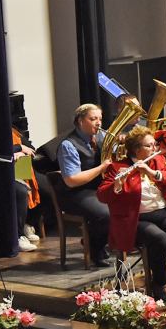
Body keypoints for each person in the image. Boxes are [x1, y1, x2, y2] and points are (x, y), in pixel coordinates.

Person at [98, 126, 166, 300]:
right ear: (137, 150)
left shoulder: (157, 160)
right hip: (136, 220)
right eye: (149, 146)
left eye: (154, 145)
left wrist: (152, 173)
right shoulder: (118, 167)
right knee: (160, 238)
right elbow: (102, 195)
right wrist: (117, 185)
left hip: (163, 214)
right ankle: (159, 284)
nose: (155, 149)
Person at [57, 103, 112, 266]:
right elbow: (72, 180)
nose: (99, 123)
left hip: (95, 189)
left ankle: (105, 242)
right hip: (75, 194)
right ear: (80, 121)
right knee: (106, 213)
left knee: (127, 200)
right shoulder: (68, 145)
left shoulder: (101, 138)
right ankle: (95, 249)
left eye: (100, 119)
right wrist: (101, 168)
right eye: (93, 119)